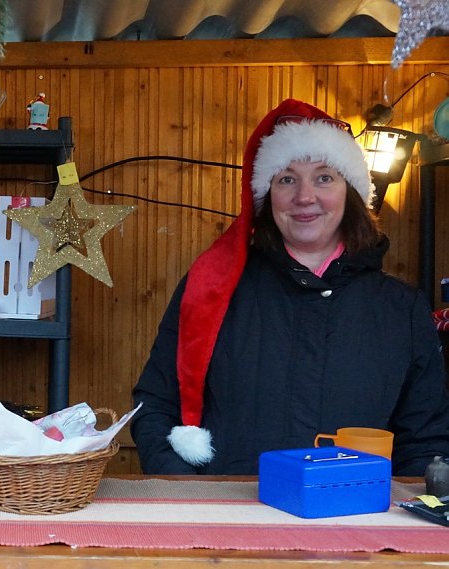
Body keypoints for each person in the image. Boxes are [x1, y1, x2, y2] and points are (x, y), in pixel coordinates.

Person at [131, 99, 449, 476]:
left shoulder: (401, 309)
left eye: (324, 177)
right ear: (267, 196)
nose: (304, 197)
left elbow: (426, 441)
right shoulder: (211, 289)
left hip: (354, 510)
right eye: (286, 179)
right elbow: (155, 407)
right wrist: (189, 494)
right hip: (225, 511)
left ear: (350, 192)